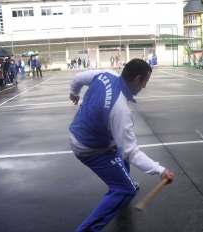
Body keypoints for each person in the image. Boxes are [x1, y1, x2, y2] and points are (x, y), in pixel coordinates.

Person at [69, 58, 174, 232]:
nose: (145, 87)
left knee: (120, 147)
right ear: (138, 79)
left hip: (79, 131)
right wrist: (160, 170)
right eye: (146, 81)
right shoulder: (120, 110)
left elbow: (77, 79)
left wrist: (74, 93)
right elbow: (131, 152)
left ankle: (123, 179)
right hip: (90, 148)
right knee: (126, 190)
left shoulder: (107, 74)